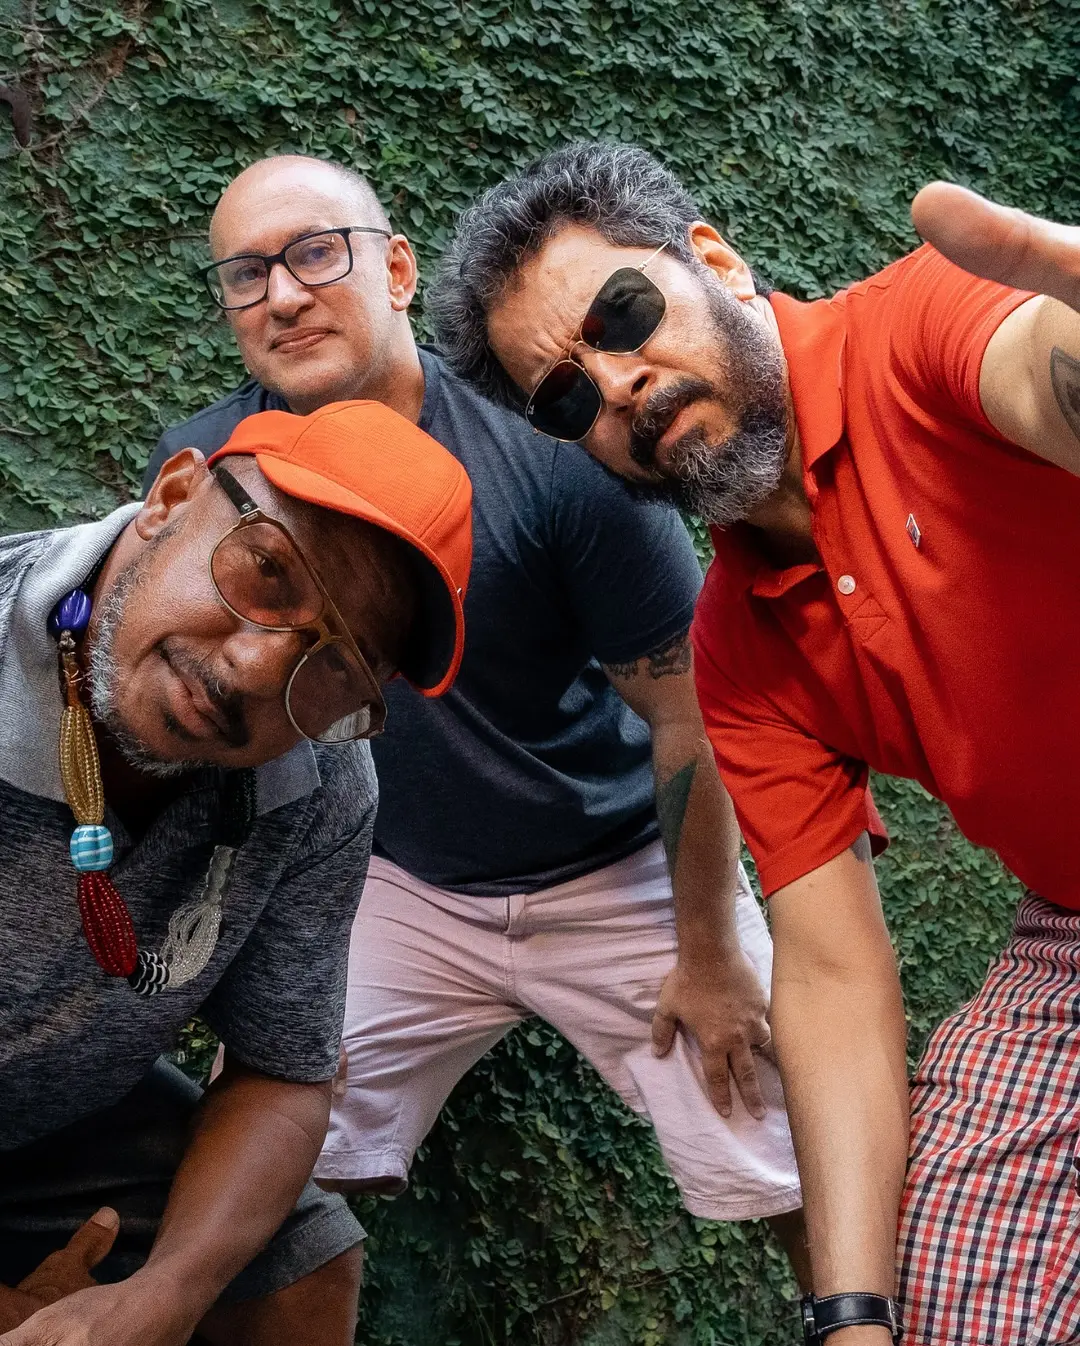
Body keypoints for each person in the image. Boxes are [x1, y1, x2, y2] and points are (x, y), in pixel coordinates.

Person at [430, 140, 1080, 1345]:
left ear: (717, 263)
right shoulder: (736, 651)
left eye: (625, 315)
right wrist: (851, 1314)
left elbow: (1046, 380)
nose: (616, 383)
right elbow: (830, 973)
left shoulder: (920, 326)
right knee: (947, 1279)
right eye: (565, 396)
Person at [141, 154, 808, 1282]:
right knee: (257, 1170)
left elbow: (691, 715)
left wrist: (708, 950)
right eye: (246, 274)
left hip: (619, 871)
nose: (283, 295)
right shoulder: (211, 470)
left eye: (316, 254)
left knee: (795, 1150)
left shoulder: (558, 448)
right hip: (396, 880)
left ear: (397, 270)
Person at [1, 399, 473, 1346]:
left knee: (302, 1265)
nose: (257, 670)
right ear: (172, 497)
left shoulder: (321, 786)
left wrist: (164, 1298)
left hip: (51, 1126)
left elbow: (281, 1074)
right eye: (265, 571)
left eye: (335, 664)